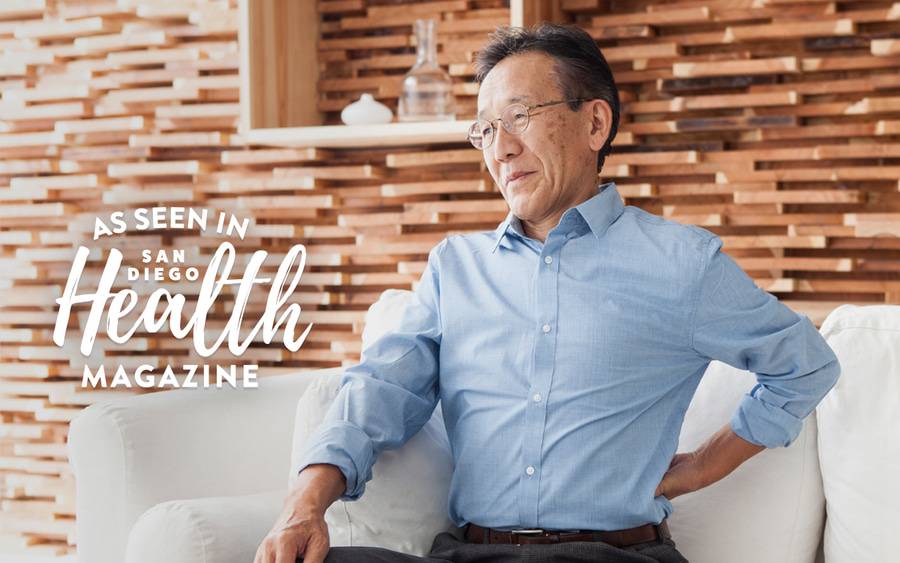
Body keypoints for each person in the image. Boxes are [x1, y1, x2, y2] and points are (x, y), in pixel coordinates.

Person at [254, 23, 841, 563]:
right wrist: (304, 505)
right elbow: (381, 389)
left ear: (594, 124)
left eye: (520, 116)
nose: (499, 148)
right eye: (485, 128)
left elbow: (803, 366)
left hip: (614, 557)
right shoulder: (454, 269)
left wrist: (700, 466)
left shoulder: (682, 263)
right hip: (470, 553)